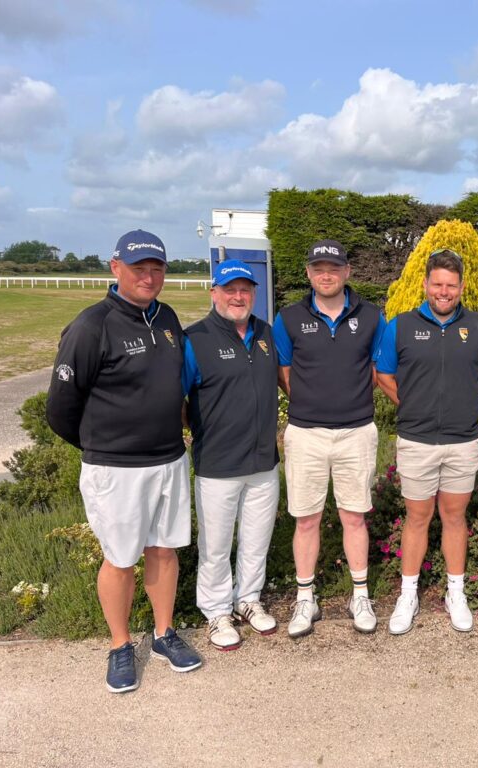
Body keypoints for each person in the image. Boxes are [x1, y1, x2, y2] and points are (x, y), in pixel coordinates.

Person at [46, 230, 200, 693]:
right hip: (115, 469)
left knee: (164, 550)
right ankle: (119, 645)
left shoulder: (167, 317)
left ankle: (163, 634)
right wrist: (103, 447)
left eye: (156, 268)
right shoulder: (91, 326)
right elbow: (60, 410)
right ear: (116, 268)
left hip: (169, 459)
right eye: (139, 268)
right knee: (119, 558)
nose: (148, 277)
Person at [376, 250, 478, 635]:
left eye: (451, 285)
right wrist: (412, 404)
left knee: (454, 517)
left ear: (461, 287)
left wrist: (464, 401)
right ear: (425, 284)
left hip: (462, 440)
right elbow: (384, 374)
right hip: (417, 440)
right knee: (417, 517)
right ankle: (407, 595)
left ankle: (455, 593)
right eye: (437, 284)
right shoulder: (400, 326)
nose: (444, 292)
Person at [272, 240, 386, 636]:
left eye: (334, 268)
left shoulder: (371, 316)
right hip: (306, 433)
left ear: (346, 272)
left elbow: (377, 369)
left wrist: (347, 400)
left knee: (354, 516)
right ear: (308, 273)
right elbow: (284, 372)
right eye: (319, 268)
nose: (326, 275)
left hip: (357, 431)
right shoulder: (288, 317)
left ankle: (360, 595)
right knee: (307, 519)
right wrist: (313, 402)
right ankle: (306, 598)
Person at [182, 260, 280, 651]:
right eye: (229, 289)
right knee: (216, 545)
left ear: (253, 294)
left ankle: (248, 599)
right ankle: (216, 610)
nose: (238, 297)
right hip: (218, 464)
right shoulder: (195, 339)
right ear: (214, 293)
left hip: (263, 461)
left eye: (245, 290)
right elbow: (176, 399)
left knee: (257, 539)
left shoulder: (266, 333)